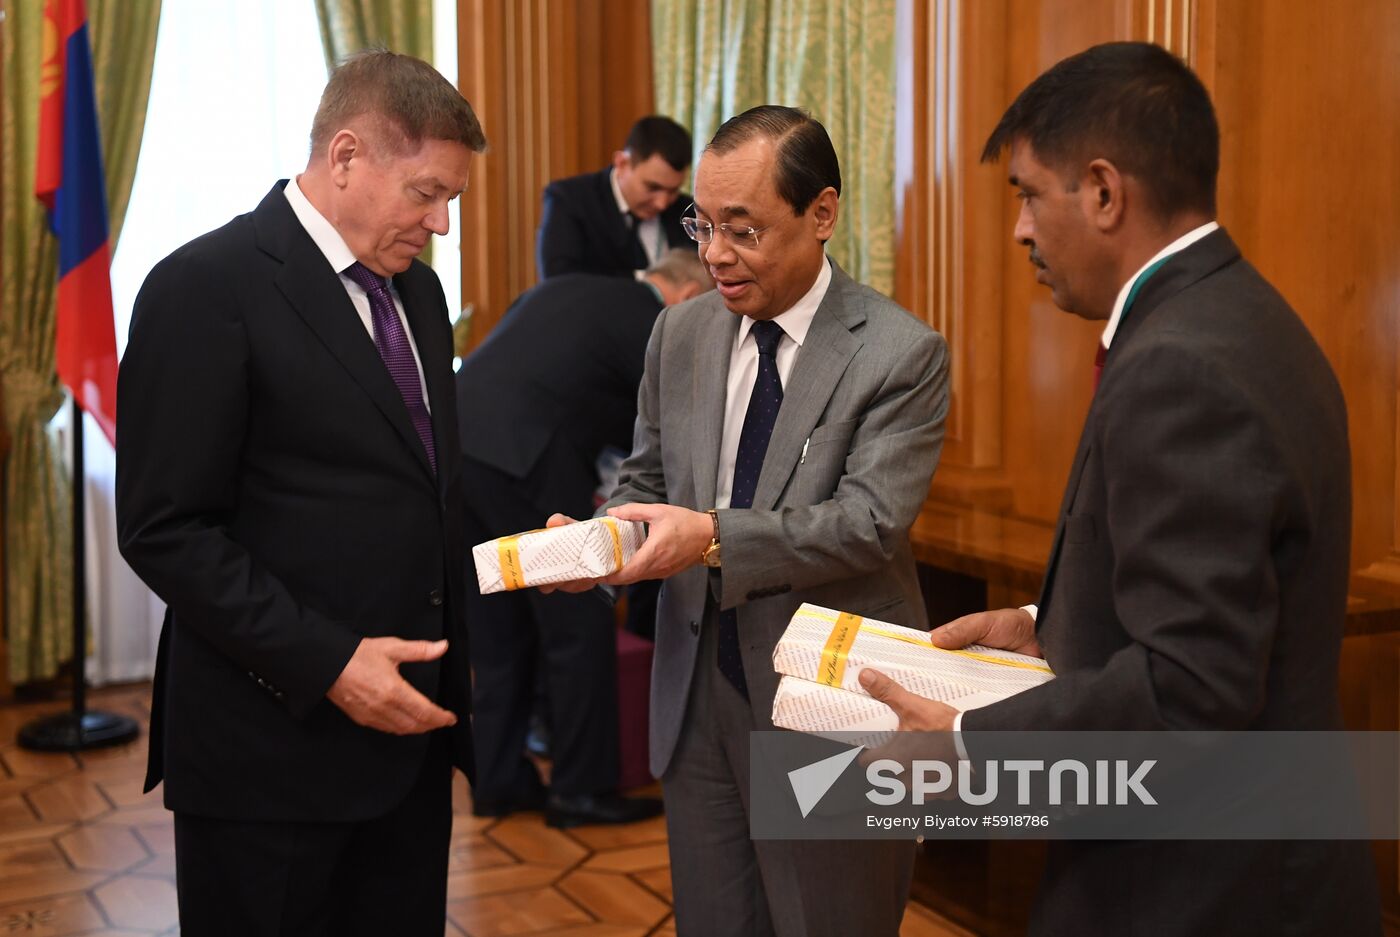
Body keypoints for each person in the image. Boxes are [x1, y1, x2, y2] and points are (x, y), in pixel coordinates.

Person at [858, 42, 1383, 936]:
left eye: (1028, 193)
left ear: (1103, 192)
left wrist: (961, 749)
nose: (1020, 229)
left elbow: (1191, 683)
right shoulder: (1243, 314)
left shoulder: (1183, 364)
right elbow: (1214, 602)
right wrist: (1044, 625)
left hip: (1203, 884)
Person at [546, 105, 949, 937]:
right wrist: (606, 539)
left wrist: (715, 536)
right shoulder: (681, 332)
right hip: (696, 696)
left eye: (743, 229)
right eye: (700, 223)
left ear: (822, 214)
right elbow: (647, 478)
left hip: (828, 702)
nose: (715, 254)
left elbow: (870, 522)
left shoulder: (899, 353)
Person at [116, 51, 485, 937]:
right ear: (347, 155)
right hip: (268, 756)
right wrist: (328, 663)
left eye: (451, 202)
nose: (440, 224)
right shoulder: (204, 286)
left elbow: (413, 485)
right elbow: (166, 530)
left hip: (407, 745)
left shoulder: (420, 295)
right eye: (427, 193)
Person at [456, 249, 712, 827]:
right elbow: (665, 437)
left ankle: (496, 780)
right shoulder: (655, 323)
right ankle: (580, 789)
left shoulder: (567, 284)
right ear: (690, 298)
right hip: (531, 458)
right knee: (579, 618)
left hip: (457, 452)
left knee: (498, 629)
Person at [536, 115, 693, 280]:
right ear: (622, 163)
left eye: (673, 191)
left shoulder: (686, 211)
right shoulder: (569, 201)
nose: (662, 203)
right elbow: (558, 282)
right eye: (652, 187)